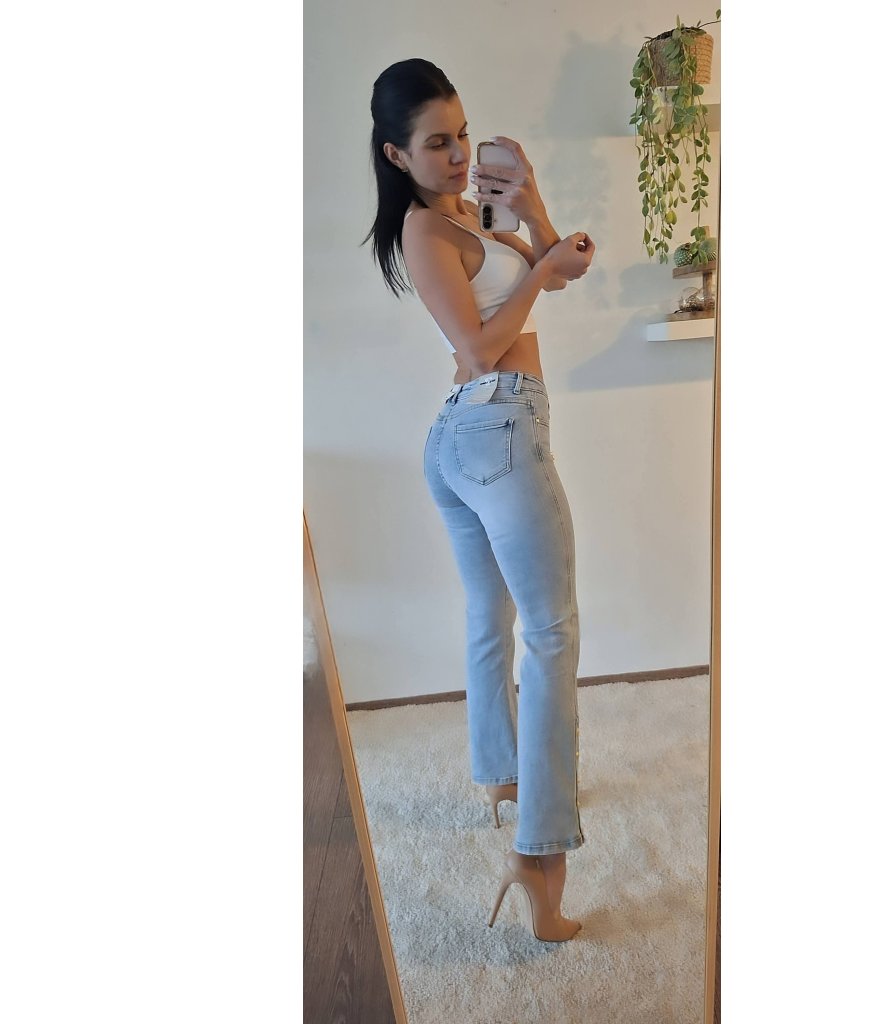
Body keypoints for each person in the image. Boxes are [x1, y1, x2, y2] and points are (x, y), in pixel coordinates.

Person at [362, 58, 595, 942]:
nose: (458, 154)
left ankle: (503, 776)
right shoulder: (425, 230)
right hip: (495, 423)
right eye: (437, 143)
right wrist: (538, 270)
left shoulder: (473, 211)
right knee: (552, 634)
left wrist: (533, 209)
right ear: (396, 154)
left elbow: (556, 273)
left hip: (470, 437)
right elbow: (479, 349)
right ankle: (540, 857)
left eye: (461, 133)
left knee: (491, 615)